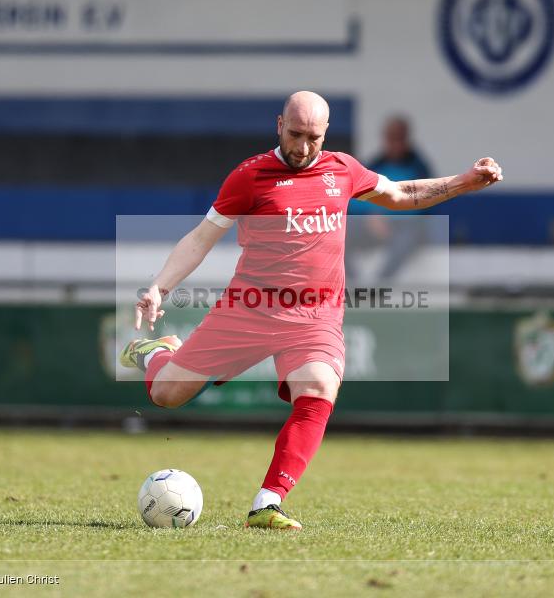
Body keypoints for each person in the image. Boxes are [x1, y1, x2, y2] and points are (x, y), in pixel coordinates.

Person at [119, 91, 502, 530]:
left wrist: (465, 182)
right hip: (251, 307)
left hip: (316, 316)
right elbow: (200, 238)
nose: (302, 147)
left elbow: (402, 193)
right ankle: (156, 351)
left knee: (319, 387)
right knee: (166, 394)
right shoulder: (249, 176)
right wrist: (159, 287)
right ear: (279, 124)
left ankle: (267, 502)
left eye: (313, 137)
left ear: (326, 133)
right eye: (295, 134)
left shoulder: (343, 170)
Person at [345, 115, 434, 284]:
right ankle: (353, 284)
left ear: (406, 139)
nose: (395, 144)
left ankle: (379, 285)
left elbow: (423, 204)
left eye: (399, 138)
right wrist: (373, 214)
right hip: (373, 226)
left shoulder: (419, 168)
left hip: (405, 227)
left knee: (407, 238)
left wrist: (386, 217)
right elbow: (354, 198)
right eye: (391, 138)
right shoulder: (376, 165)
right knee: (339, 232)